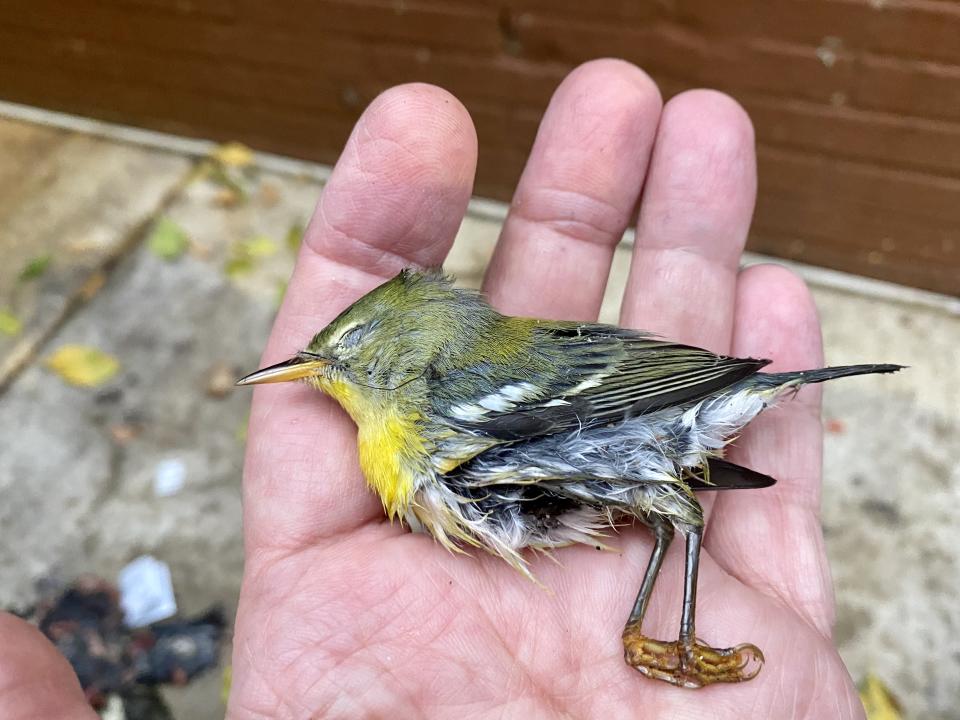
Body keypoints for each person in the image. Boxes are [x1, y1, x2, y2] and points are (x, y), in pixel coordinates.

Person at [0, 60, 865, 719]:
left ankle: (656, 638)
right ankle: (651, 636)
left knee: (674, 512)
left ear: (399, 356)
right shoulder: (402, 431)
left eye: (346, 353)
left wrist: (709, 397)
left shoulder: (440, 403)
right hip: (632, 440)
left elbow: (605, 402)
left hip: (651, 411)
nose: (324, 371)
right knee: (671, 511)